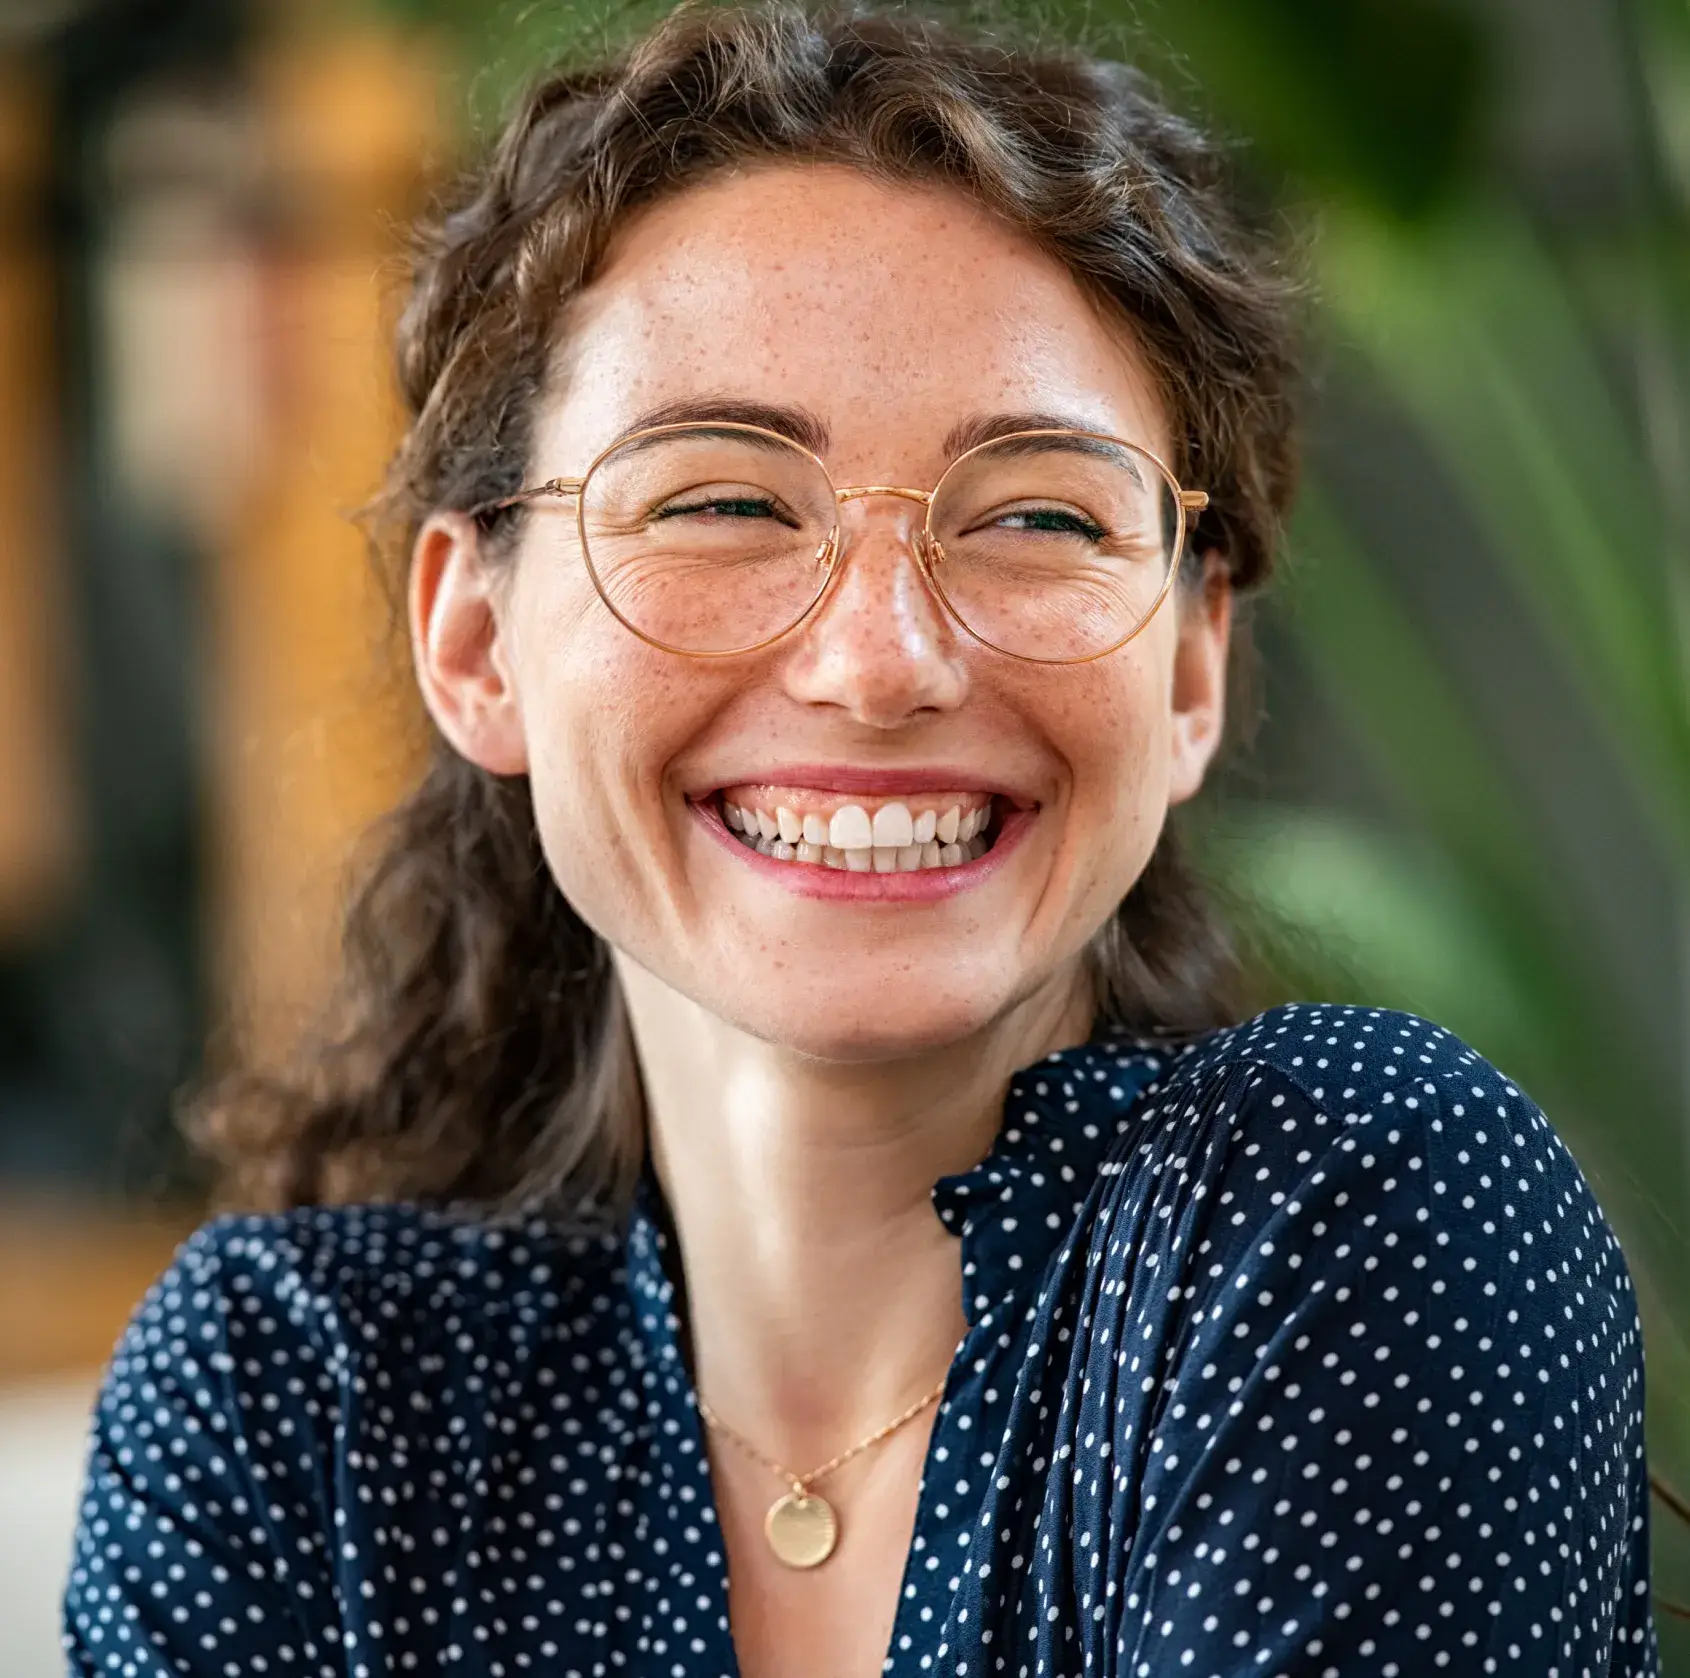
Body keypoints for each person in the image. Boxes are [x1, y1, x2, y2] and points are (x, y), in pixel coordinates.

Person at [63, 3, 1660, 1674]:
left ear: (1191, 664)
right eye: (724, 501)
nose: (882, 658)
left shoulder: (1366, 1219)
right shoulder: (294, 1394)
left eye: (1039, 514)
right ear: (475, 641)